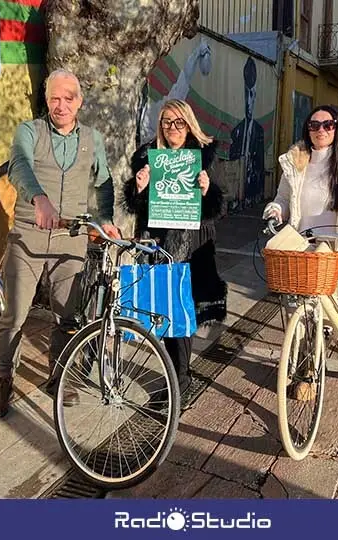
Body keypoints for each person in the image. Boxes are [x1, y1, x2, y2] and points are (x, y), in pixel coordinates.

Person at [0, 69, 120, 418]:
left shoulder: (92, 138)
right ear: (47, 100)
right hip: (28, 237)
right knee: (14, 314)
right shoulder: (29, 131)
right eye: (54, 98)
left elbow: (103, 182)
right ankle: (3, 380)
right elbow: (19, 166)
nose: (61, 105)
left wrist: (104, 219)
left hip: (70, 239)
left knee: (67, 315)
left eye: (68, 98)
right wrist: (39, 197)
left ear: (80, 101)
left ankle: (60, 377)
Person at [122, 99, 227, 397]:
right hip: (157, 242)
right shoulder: (147, 156)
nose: (172, 128)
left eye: (179, 122)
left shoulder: (204, 157)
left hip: (192, 246)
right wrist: (138, 188)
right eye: (167, 122)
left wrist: (208, 191)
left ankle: (179, 381)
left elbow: (219, 208)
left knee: (181, 312)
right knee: (162, 311)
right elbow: (134, 206)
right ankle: (175, 377)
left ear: (190, 124)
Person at [262, 105, 338, 305]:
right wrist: (276, 210)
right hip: (300, 246)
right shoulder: (296, 164)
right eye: (314, 125)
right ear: (307, 130)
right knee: (296, 308)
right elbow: (283, 198)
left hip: (333, 250)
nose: (321, 130)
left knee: (331, 312)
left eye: (328, 125)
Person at [229, 57, 265, 206]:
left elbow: (260, 167)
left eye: (251, 95)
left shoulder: (258, 131)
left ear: (255, 96)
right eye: (246, 95)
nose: (248, 102)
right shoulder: (237, 131)